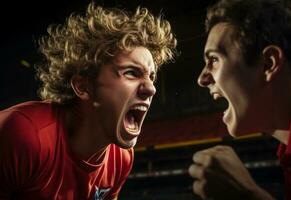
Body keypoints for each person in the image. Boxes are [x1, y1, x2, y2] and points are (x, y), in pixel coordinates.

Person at [0, 2, 177, 199]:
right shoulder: (23, 135)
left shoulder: (122, 158)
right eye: (131, 73)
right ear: (83, 87)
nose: (151, 88)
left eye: (151, 77)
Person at [188, 0, 291, 199]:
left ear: (268, 64)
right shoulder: (290, 155)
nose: (201, 79)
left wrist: (248, 195)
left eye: (213, 59)